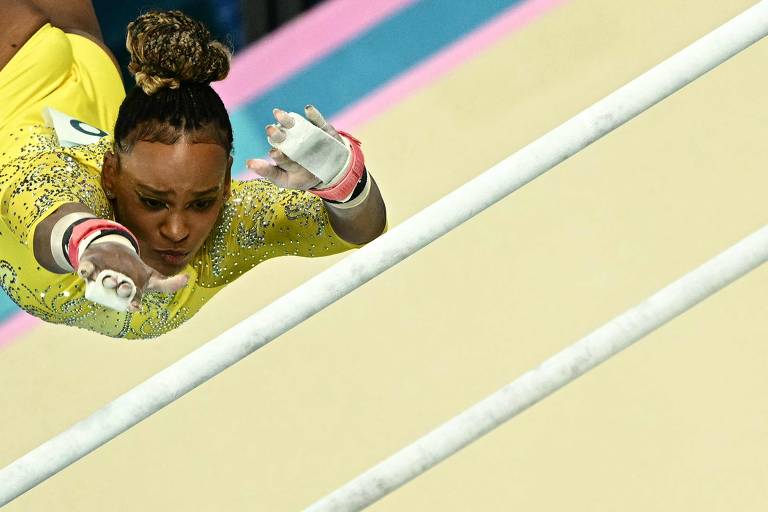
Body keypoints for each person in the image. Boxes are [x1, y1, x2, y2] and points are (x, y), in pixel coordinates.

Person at [0, 2, 387, 339]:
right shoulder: (48, 174)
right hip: (13, 74)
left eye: (202, 203)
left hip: (80, 72)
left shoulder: (225, 225)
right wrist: (97, 244)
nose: (177, 230)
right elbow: (43, 201)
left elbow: (359, 228)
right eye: (152, 201)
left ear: (224, 187)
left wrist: (343, 181)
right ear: (109, 175)